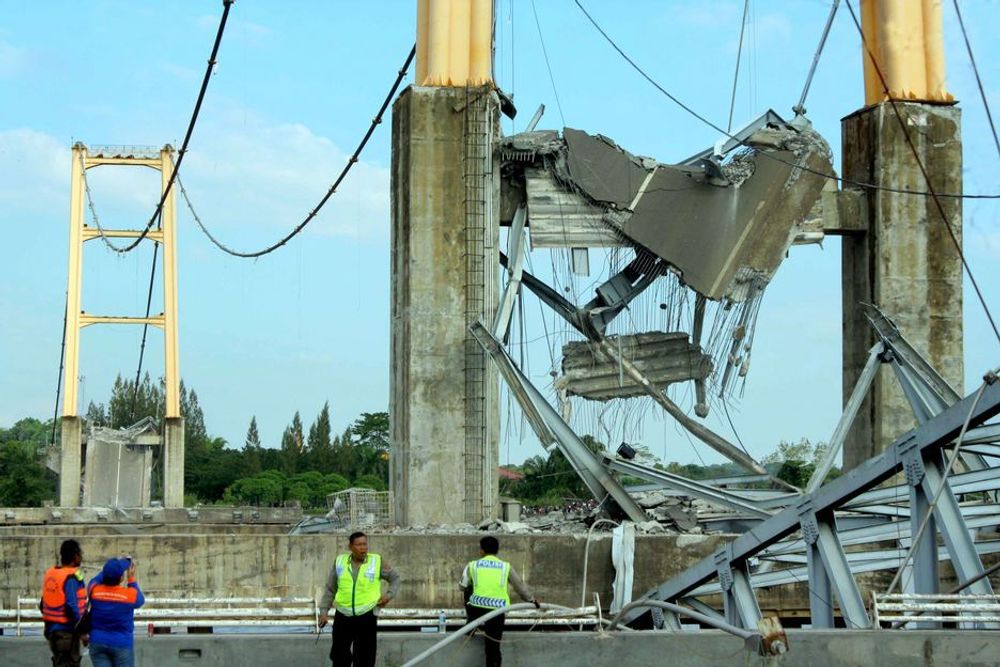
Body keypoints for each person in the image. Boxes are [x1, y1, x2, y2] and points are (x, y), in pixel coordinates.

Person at [318, 531, 401, 667]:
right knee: (339, 655)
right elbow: (330, 589)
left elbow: (395, 578)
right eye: (359, 545)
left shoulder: (376, 561)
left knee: (365, 658)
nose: (363, 548)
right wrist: (323, 612)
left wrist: (388, 595)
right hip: (343, 616)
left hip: (366, 616)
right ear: (350, 546)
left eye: (365, 544)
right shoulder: (340, 562)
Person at [459, 536, 540, 667]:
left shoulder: (472, 565)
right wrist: (532, 600)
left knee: (468, 589)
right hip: (498, 610)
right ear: (497, 550)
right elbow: (520, 586)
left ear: (482, 550)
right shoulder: (505, 567)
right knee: (493, 648)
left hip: (477, 609)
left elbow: (462, 587)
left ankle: (472, 625)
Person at [87, 557, 145, 667]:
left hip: (97, 642)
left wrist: (110, 570)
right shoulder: (130, 595)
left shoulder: (93, 589)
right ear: (121, 578)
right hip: (121, 644)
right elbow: (140, 601)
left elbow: (98, 578)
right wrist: (131, 579)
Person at [40, 538, 88, 667]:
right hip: (67, 633)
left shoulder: (51, 573)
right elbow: (72, 605)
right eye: (80, 554)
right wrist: (83, 632)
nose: (81, 557)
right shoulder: (71, 577)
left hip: (52, 631)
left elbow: (43, 603)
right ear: (75, 556)